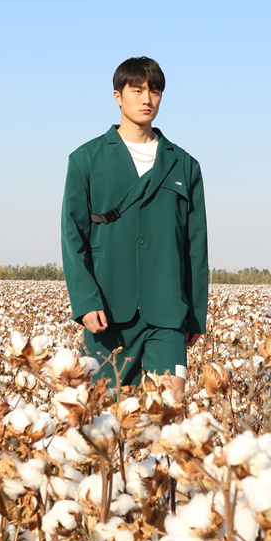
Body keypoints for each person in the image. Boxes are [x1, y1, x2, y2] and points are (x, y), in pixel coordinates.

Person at [61, 56, 208, 401]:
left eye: (155, 91)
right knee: (104, 421)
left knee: (169, 417)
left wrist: (195, 315)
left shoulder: (185, 165)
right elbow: (73, 236)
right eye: (137, 90)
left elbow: (195, 245)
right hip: (107, 312)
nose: (147, 100)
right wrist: (85, 301)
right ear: (117, 96)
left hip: (168, 313)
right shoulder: (86, 159)